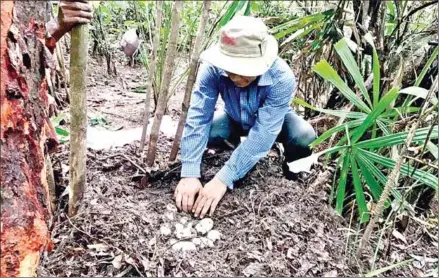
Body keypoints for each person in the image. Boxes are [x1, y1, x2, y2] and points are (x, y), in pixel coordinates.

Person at [174, 16, 317, 219]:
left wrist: (222, 179)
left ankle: (290, 171)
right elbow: (198, 118)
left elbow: (263, 133)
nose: (236, 78)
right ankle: (235, 152)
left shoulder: (281, 78)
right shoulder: (212, 70)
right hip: (234, 118)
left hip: (274, 122)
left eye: (244, 71)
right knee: (211, 133)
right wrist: (189, 173)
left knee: (303, 136)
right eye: (231, 70)